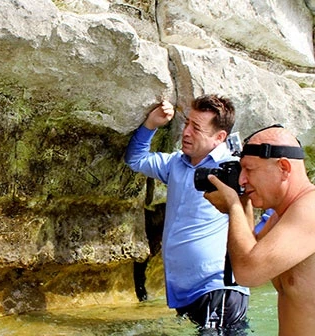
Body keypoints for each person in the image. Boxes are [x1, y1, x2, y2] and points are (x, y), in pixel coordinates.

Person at [125, 94, 249, 331]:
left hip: (218, 287)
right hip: (186, 293)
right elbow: (136, 159)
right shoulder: (176, 164)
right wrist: (151, 125)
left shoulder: (232, 169)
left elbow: (270, 203)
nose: (186, 132)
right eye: (187, 123)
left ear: (219, 137)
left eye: (196, 128)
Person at [204, 125, 315, 335]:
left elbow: (248, 273)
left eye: (250, 170)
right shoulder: (281, 217)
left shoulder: (310, 210)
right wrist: (242, 203)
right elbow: (249, 253)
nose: (242, 180)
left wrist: (233, 205)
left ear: (284, 168)